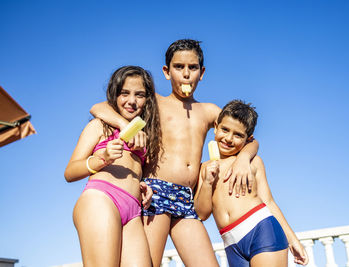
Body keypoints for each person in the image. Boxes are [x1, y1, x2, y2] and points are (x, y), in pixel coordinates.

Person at [90, 39, 259, 266]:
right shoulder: (154, 102)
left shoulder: (209, 111)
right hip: (154, 194)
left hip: (187, 200)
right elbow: (98, 108)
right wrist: (124, 124)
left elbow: (249, 138)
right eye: (179, 67)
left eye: (193, 68)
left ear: (202, 72)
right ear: (167, 72)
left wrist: (244, 160)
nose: (186, 74)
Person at [64, 66, 162, 267]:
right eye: (124, 93)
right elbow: (70, 172)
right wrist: (103, 158)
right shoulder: (100, 126)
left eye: (140, 95)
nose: (132, 101)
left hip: (133, 211)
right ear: (114, 95)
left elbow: (131, 169)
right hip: (101, 199)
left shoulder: (144, 136)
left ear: (147, 100)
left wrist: (143, 185)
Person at [194, 100, 309, 267]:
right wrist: (206, 183)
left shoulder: (252, 162)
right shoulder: (204, 168)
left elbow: (269, 202)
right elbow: (202, 214)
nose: (228, 138)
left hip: (262, 230)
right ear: (216, 127)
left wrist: (293, 239)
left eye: (238, 135)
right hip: (231, 243)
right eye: (225, 130)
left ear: (248, 138)